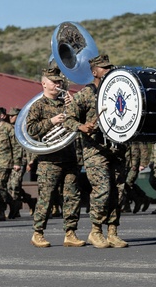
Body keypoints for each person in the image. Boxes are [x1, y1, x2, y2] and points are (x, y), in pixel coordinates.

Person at [62, 53, 129, 248]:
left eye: (110, 67)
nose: (109, 70)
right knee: (102, 190)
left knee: (118, 191)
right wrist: (82, 127)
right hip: (95, 150)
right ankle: (96, 230)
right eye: (104, 68)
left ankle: (113, 231)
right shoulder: (85, 94)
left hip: (117, 149)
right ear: (94, 72)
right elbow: (68, 119)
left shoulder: (118, 90)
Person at [25, 68, 85, 247]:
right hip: (49, 159)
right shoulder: (38, 105)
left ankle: (70, 232)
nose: (57, 84)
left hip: (70, 156)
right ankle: (38, 233)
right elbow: (30, 131)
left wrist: (74, 106)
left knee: (72, 196)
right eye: (53, 81)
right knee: (47, 197)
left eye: (59, 82)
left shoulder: (66, 103)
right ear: (44, 83)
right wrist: (52, 121)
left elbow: (80, 123)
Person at [0, 107, 15, 219]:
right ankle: (14, 203)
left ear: (1, 116)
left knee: (0, 186)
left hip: (5, 162)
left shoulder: (8, 128)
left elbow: (16, 146)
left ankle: (1, 211)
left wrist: (17, 162)